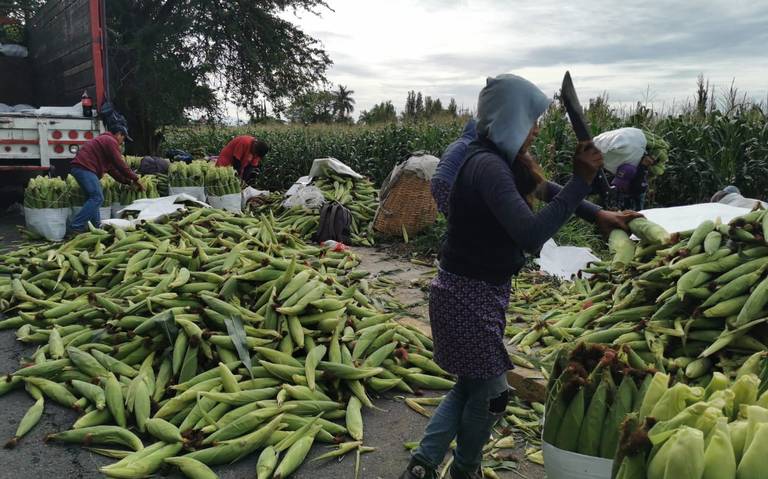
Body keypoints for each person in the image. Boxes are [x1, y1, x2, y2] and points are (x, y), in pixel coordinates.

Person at [399, 74, 641, 479]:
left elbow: (545, 190)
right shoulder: (487, 165)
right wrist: (582, 181)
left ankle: (422, 465)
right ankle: (465, 469)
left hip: (469, 291)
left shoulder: (501, 160)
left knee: (469, 387)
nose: (536, 129)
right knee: (493, 394)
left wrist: (597, 213)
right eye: (531, 119)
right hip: (467, 296)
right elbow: (530, 235)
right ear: (512, 118)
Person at [69, 124, 144, 233]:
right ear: (118, 134)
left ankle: (97, 227)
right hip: (85, 168)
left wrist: (128, 181)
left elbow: (112, 170)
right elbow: (120, 164)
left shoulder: (105, 142)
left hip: (82, 168)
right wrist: (136, 179)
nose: (122, 142)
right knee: (97, 197)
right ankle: (76, 226)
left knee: (93, 198)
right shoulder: (110, 140)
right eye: (123, 138)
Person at [593, 127, 668, 211]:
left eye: (623, 186)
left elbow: (638, 188)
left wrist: (643, 166)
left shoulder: (638, 184)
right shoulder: (619, 178)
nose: (620, 187)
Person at [431, 118, 477, 215]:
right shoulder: (470, 145)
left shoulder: (455, 143)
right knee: (459, 217)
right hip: (448, 183)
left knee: (449, 216)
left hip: (435, 182)